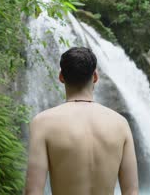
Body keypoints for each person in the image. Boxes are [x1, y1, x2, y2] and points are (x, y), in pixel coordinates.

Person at [24, 47, 139, 195]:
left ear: (61, 77)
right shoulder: (120, 124)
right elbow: (131, 192)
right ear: (95, 77)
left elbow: (33, 191)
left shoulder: (43, 123)